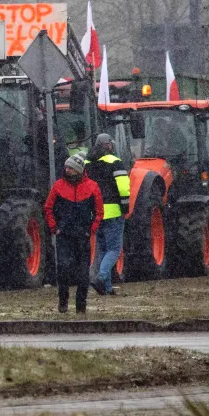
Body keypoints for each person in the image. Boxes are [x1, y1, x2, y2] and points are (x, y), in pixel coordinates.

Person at [45, 154, 104, 314]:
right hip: (64, 235)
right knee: (63, 268)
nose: (67, 169)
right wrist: (54, 228)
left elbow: (99, 212)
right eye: (67, 167)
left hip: (82, 236)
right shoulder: (58, 186)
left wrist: (91, 229)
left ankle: (81, 305)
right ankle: (63, 300)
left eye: (70, 167)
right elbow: (48, 208)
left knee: (83, 273)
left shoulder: (92, 187)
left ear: (78, 170)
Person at [85, 132, 130, 296]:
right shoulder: (115, 162)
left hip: (94, 212)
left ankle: (107, 288)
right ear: (108, 145)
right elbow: (123, 187)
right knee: (114, 249)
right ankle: (101, 277)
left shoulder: (87, 163)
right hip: (112, 211)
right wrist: (125, 206)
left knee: (102, 249)